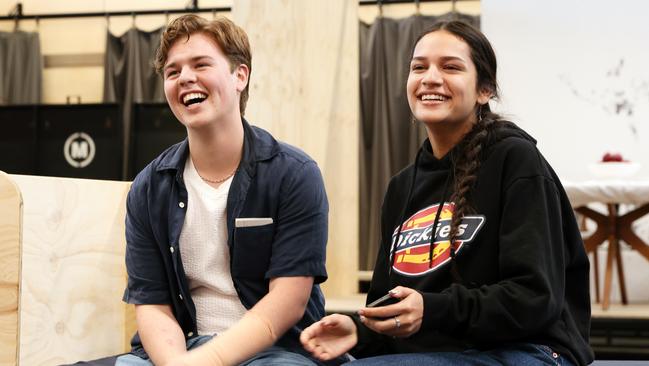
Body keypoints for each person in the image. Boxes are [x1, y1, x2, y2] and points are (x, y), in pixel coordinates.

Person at [301, 20, 594, 366]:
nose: (430, 78)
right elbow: (389, 302)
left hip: (528, 350)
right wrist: (360, 332)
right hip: (436, 353)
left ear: (484, 90)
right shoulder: (400, 187)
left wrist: (432, 309)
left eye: (450, 67)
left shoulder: (516, 160)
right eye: (419, 67)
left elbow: (535, 298)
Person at [118, 14, 338, 366]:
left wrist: (207, 362)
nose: (185, 77)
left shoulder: (295, 174)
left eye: (200, 64)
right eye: (172, 72)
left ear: (240, 75)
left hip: (274, 351)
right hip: (178, 351)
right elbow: (153, 306)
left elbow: (287, 303)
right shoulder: (147, 188)